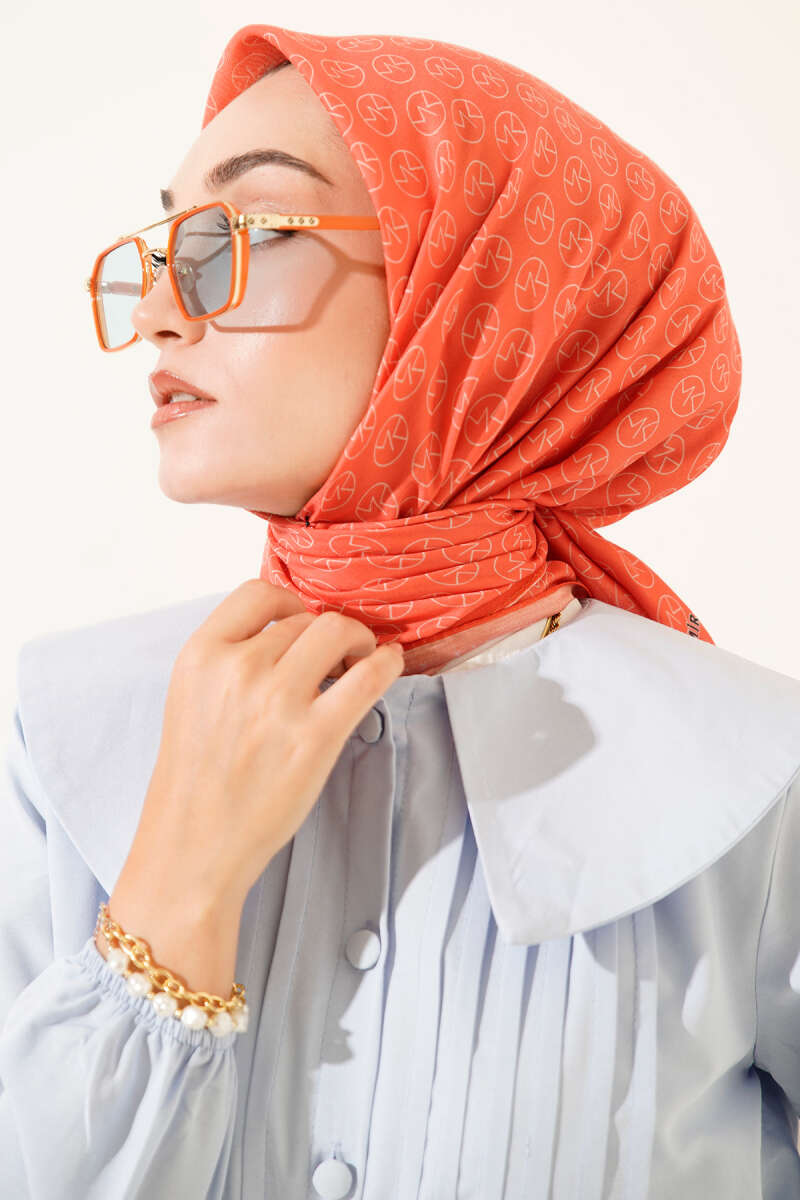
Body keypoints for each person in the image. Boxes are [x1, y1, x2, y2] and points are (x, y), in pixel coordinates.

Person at [1, 22, 799, 1200]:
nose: (162, 309)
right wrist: (175, 888)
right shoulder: (60, 730)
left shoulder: (753, 777)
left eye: (244, 235)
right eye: (166, 243)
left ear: (478, 292)